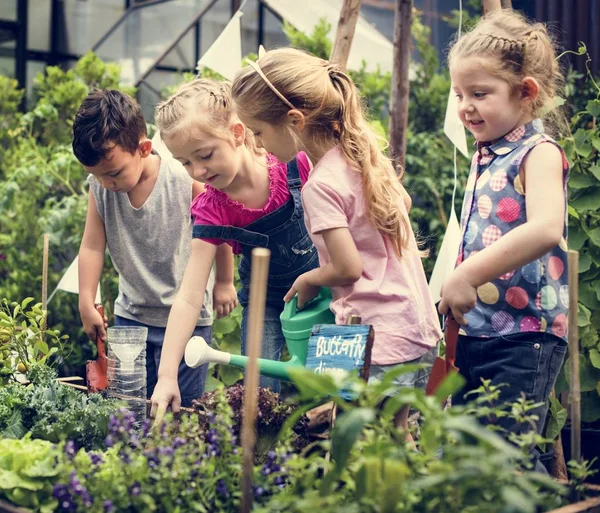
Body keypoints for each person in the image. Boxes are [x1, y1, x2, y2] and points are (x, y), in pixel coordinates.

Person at [231, 48, 442, 434]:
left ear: (294, 120)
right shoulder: (361, 156)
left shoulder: (321, 185)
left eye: (259, 132)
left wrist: (310, 279)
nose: (258, 145)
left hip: (376, 339)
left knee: (363, 445)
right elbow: (403, 203)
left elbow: (348, 267)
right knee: (398, 439)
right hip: (416, 326)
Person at [438, 10, 569, 449]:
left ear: (525, 92)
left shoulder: (539, 152)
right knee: (473, 456)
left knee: (505, 459)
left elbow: (547, 227)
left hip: (523, 334)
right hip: (478, 330)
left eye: (479, 93)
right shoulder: (486, 153)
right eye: (458, 94)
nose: (464, 107)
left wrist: (465, 275)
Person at [150, 78, 318, 417]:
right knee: (259, 396)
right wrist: (167, 375)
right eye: (184, 163)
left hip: (325, 292)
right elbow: (188, 296)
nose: (197, 171)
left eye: (205, 155)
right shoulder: (212, 208)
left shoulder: (293, 164)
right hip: (265, 302)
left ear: (238, 133)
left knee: (328, 387)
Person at [74, 89, 235, 407]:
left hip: (188, 320)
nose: (107, 183)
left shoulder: (183, 181)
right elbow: (92, 247)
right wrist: (85, 300)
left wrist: (225, 282)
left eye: (114, 173)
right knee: (127, 408)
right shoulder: (101, 188)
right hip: (131, 318)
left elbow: (219, 229)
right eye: (97, 175)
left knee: (183, 411)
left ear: (144, 148)